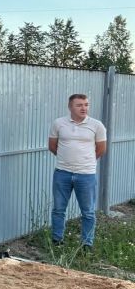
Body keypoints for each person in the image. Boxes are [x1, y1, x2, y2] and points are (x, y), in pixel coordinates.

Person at [48, 94, 107, 252]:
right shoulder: (59, 123)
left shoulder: (96, 125)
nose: (84, 108)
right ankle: (57, 241)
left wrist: (85, 162)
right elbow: (53, 146)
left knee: (87, 212)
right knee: (59, 209)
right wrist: (67, 160)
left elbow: (101, 148)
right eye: (79, 105)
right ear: (70, 107)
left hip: (86, 175)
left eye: (86, 105)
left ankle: (87, 244)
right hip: (62, 173)